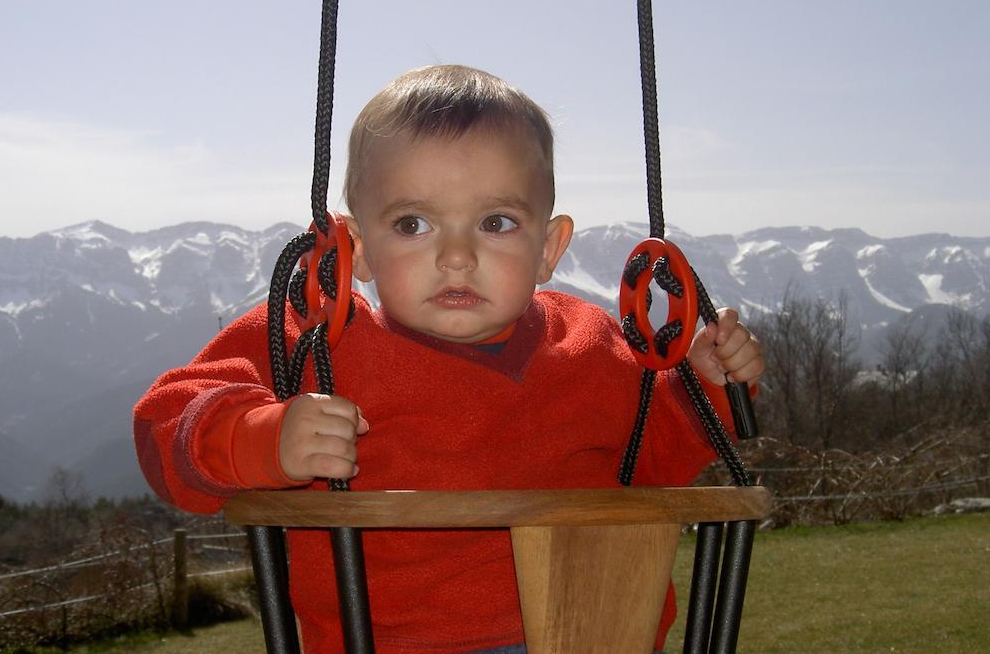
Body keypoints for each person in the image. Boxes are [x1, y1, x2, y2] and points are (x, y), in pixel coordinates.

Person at [133, 64, 765, 653]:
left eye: (496, 222)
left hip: (587, 628)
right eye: (413, 225)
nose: (456, 256)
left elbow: (647, 464)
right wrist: (260, 438)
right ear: (358, 247)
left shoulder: (593, 343)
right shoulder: (316, 342)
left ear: (550, 247)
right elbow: (163, 426)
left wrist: (705, 389)